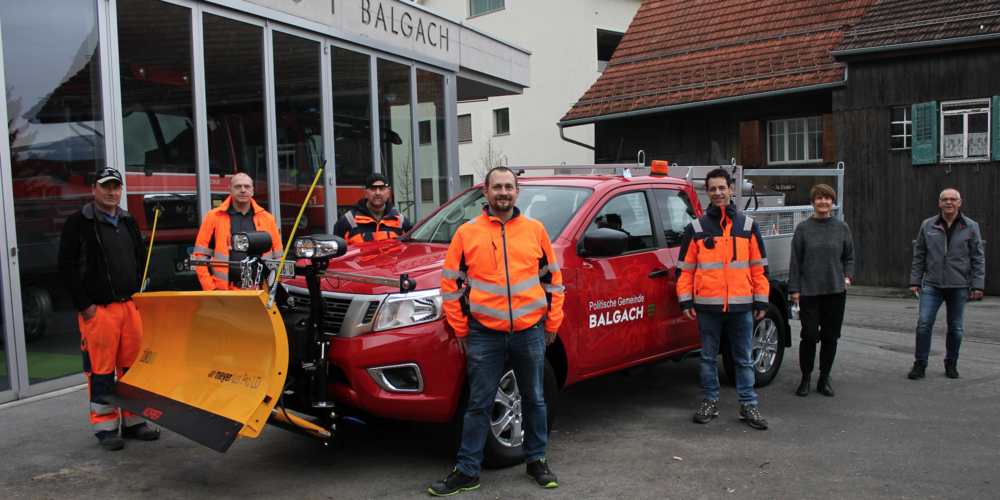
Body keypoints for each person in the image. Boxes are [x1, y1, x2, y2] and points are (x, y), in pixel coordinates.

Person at [431, 167, 564, 496]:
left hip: (530, 331)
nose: (503, 192)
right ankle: (467, 470)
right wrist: (461, 328)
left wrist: (552, 323)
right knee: (478, 403)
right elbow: (450, 285)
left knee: (534, 399)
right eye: (496, 187)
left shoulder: (535, 231)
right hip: (483, 333)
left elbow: (553, 280)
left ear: (517, 192)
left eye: (508, 186)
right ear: (486, 193)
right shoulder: (466, 233)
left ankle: (536, 462)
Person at [57, 167, 161, 451]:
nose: (111, 192)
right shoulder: (78, 222)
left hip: (130, 307)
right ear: (94, 189)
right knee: (101, 371)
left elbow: (139, 260)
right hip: (98, 311)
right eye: (105, 187)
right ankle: (105, 428)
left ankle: (134, 422)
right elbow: (65, 268)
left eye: (116, 187)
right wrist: (85, 306)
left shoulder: (128, 221)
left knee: (133, 368)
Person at [677, 168, 770, 430]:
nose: (718, 193)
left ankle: (748, 404)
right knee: (707, 358)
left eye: (722, 188)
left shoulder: (748, 226)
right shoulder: (695, 228)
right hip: (707, 307)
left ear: (731, 189)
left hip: (742, 306)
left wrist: (761, 301)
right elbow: (685, 269)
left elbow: (759, 268)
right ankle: (709, 401)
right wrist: (685, 301)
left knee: (743, 358)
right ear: (706, 192)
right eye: (713, 189)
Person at [907, 188, 985, 380]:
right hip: (932, 285)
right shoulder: (928, 225)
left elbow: (977, 257)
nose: (948, 202)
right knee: (924, 324)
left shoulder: (970, 226)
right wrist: (916, 281)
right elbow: (919, 256)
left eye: (953, 199)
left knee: (955, 327)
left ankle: (951, 363)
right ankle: (920, 364)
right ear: (940, 203)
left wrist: (977, 285)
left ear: (960, 202)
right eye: (945, 199)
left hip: (959, 285)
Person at [789, 184, 854, 397]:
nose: (823, 202)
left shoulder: (841, 227)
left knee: (830, 336)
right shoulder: (803, 229)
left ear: (832, 202)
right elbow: (796, 261)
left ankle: (824, 377)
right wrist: (794, 289)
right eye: (819, 198)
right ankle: (805, 377)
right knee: (808, 335)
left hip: (835, 291)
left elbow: (849, 257)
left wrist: (846, 279)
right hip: (809, 292)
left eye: (827, 198)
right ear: (812, 202)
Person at [192, 173, 282, 291]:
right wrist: (211, 289)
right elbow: (200, 256)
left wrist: (274, 287)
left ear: (252, 190)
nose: (243, 190)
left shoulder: (267, 218)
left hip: (261, 291)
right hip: (225, 292)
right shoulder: (214, 216)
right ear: (230, 190)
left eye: (247, 187)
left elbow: (279, 258)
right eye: (238, 187)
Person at [333, 172, 412, 244]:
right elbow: (336, 254)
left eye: (381, 189)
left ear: (388, 193)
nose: (377, 193)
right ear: (365, 193)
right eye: (373, 189)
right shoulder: (347, 221)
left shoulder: (401, 222)